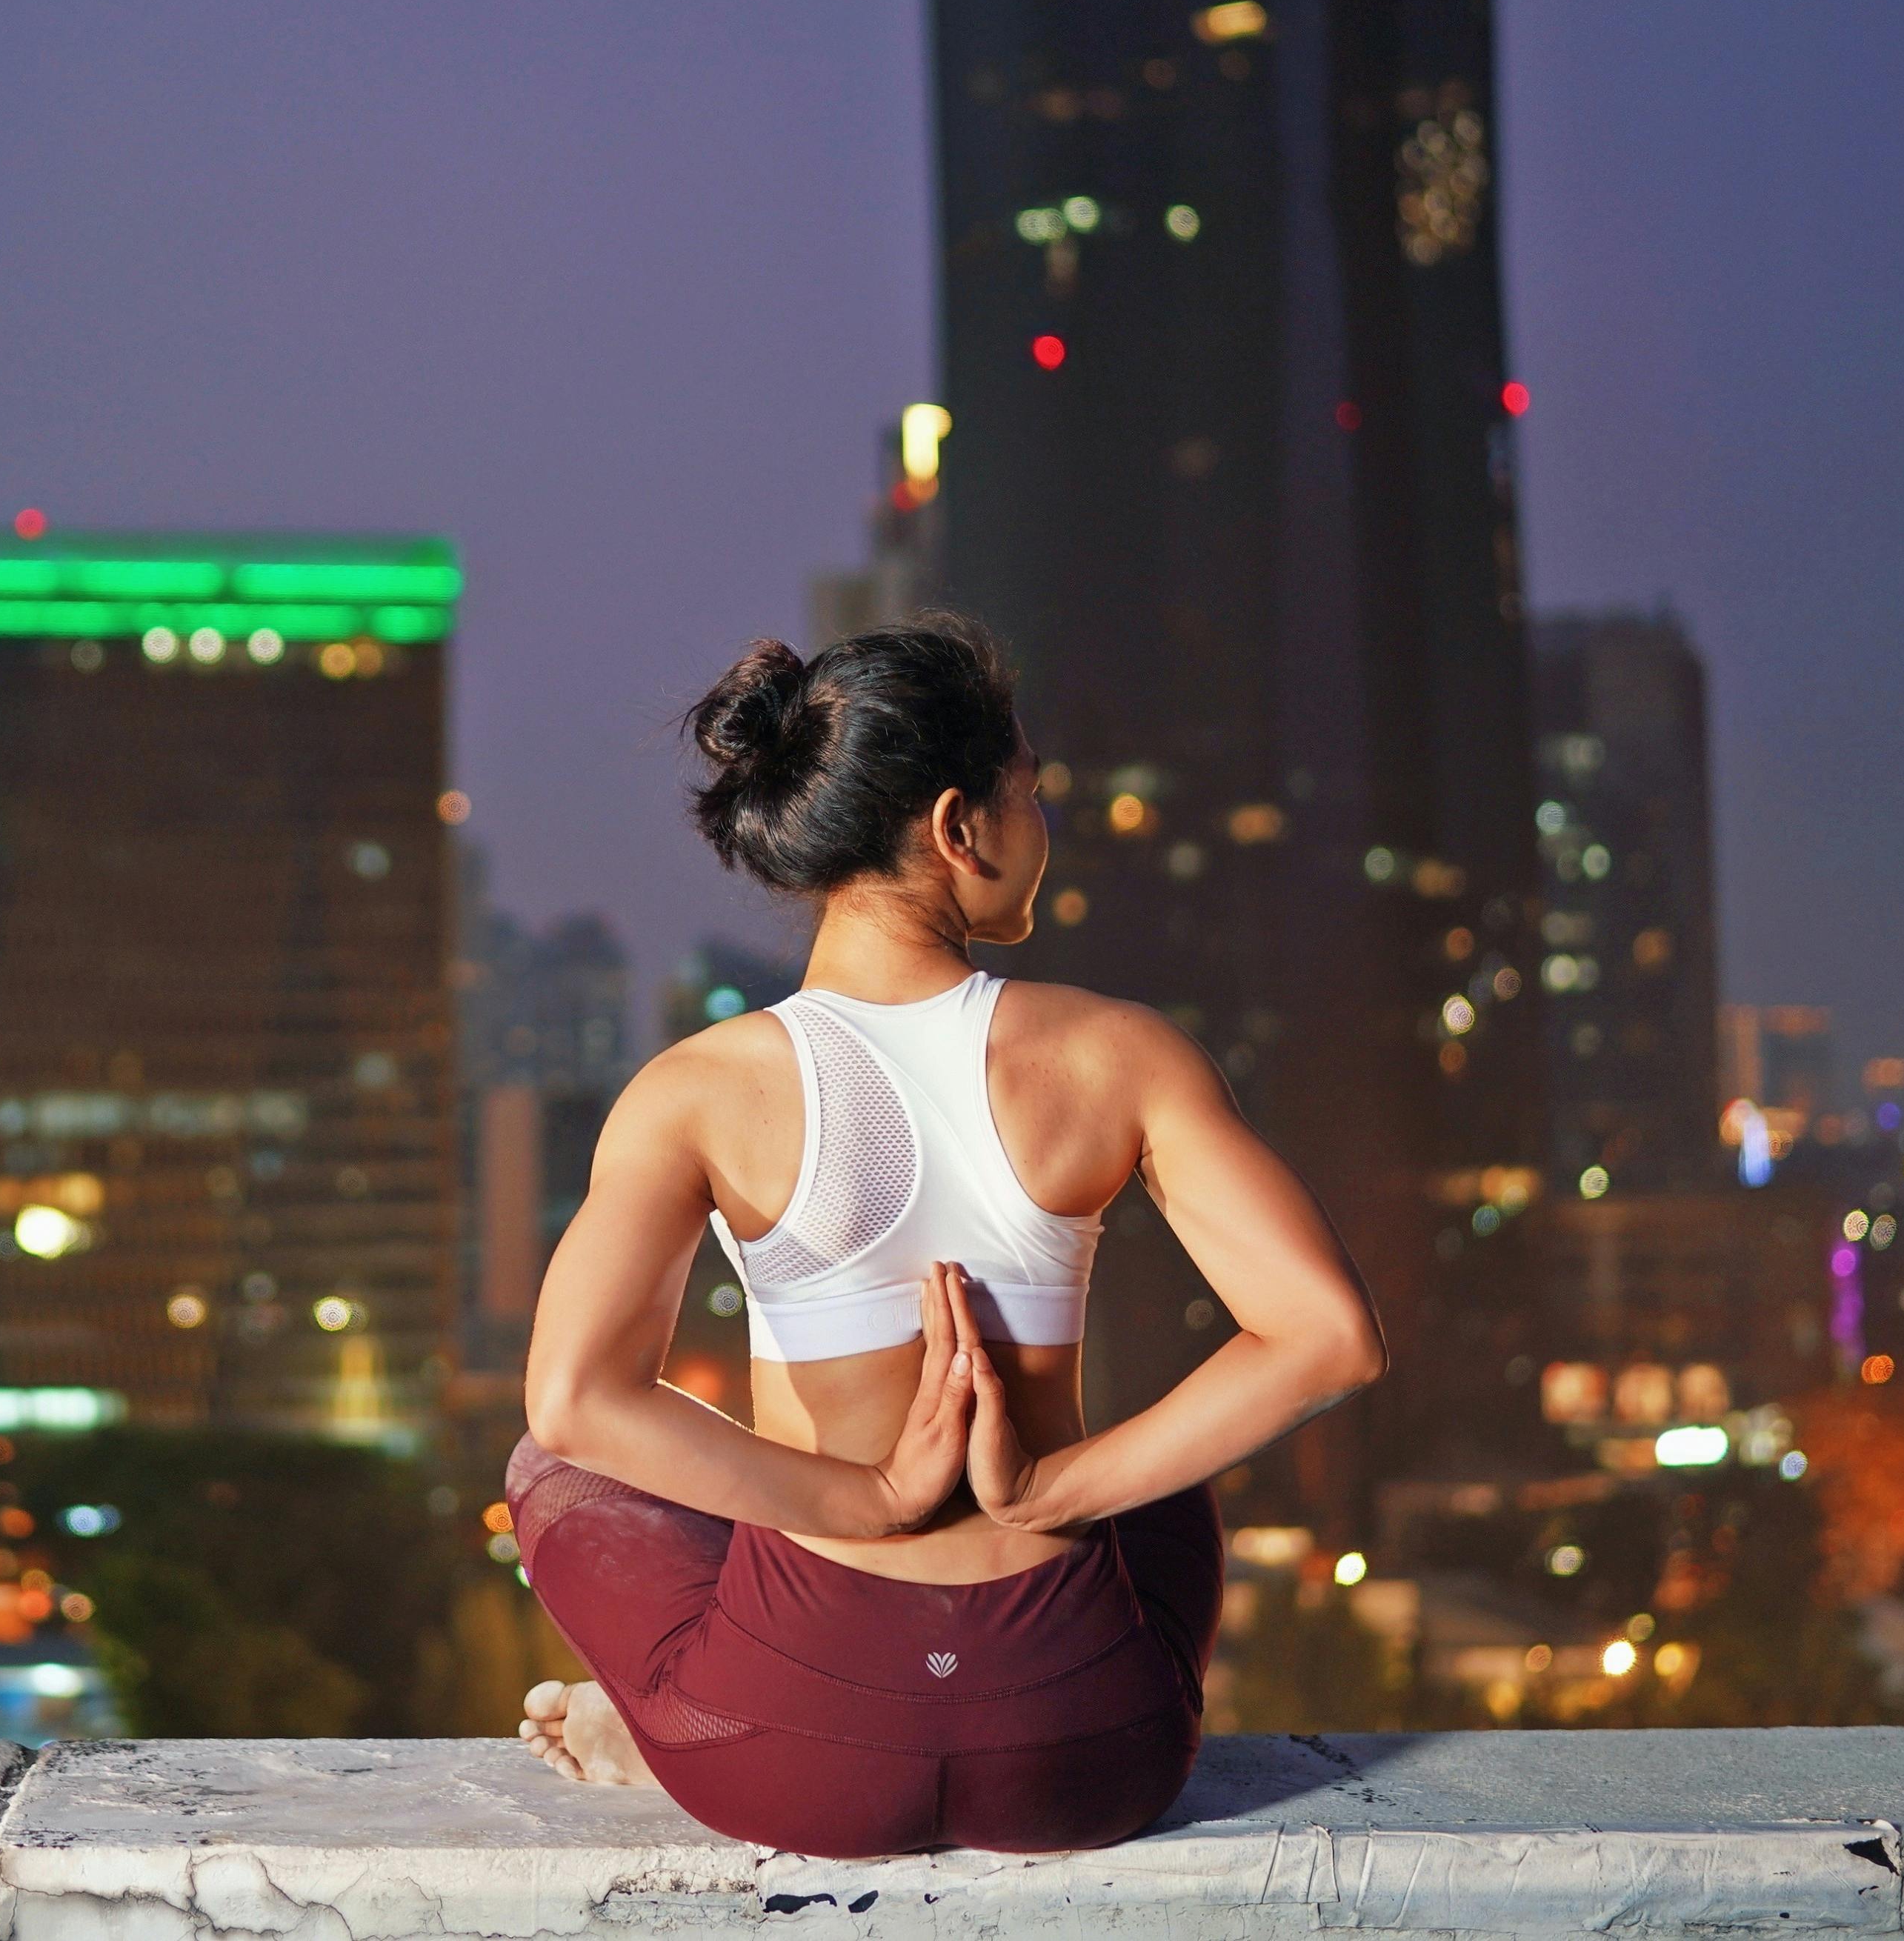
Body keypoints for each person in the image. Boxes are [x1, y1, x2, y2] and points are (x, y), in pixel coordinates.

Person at [507, 617, 1384, 1857]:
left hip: (789, 1756)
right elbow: (1329, 1340)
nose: (1043, 830)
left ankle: (663, 1724)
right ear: (960, 824)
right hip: (1087, 1754)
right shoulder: (1118, 1054)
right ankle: (747, 1684)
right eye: (1033, 796)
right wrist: (1049, 1488)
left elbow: (574, 1404)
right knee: (1160, 1486)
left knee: (558, 1475)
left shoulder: (696, 1089)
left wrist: (859, 1504)